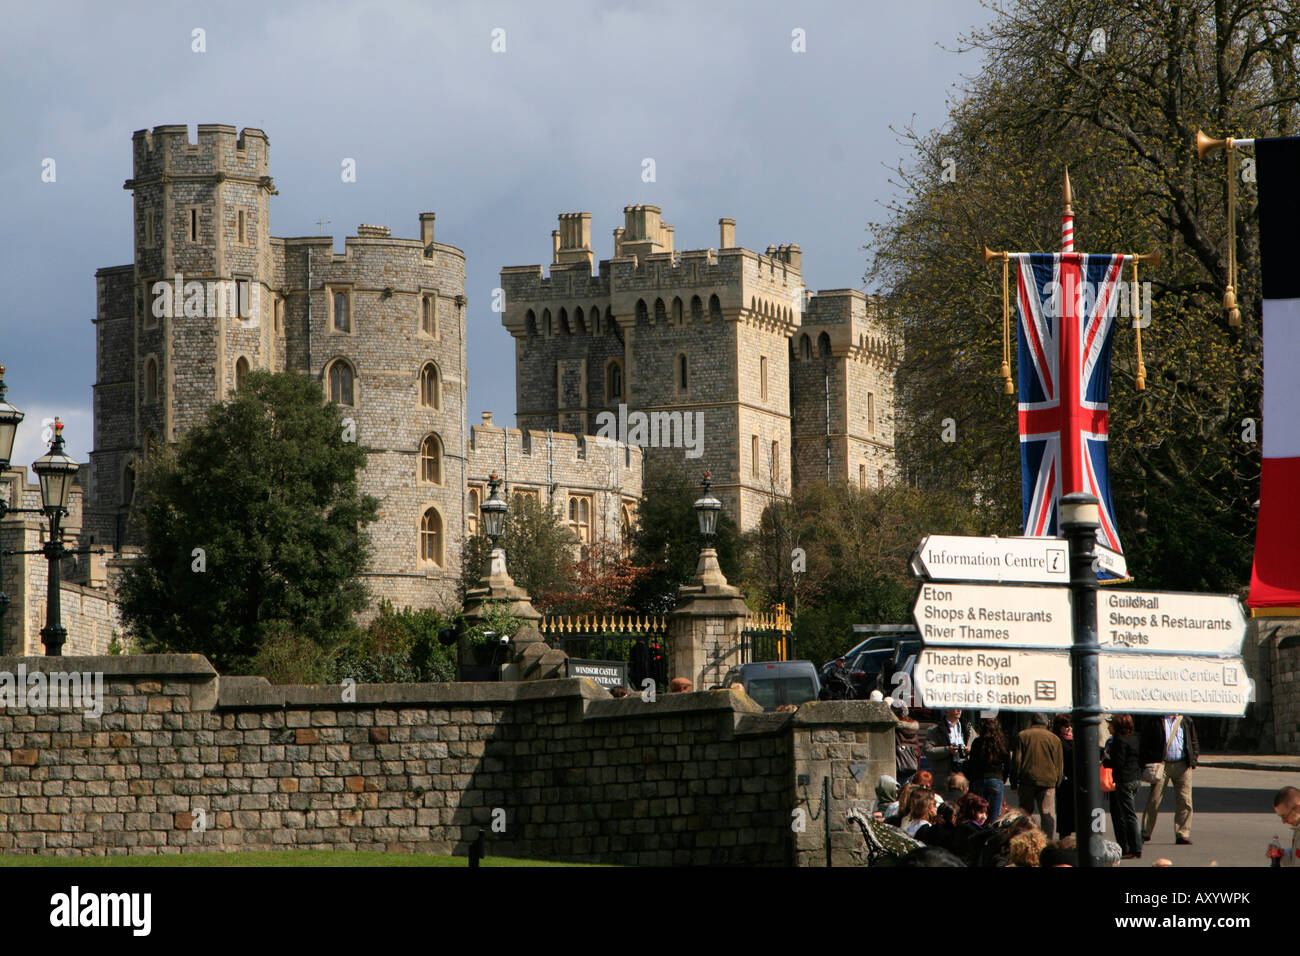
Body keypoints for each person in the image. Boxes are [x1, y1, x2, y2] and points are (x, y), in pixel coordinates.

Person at [1139, 713, 1199, 845]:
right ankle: (1145, 832)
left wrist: (1193, 758)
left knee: (1185, 801)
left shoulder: (1186, 720)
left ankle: (1182, 833)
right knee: (1154, 799)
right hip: (1162, 764)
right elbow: (1145, 741)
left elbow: (1193, 740)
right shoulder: (1156, 719)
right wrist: (1145, 761)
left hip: (1182, 764)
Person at [1012, 713, 1063, 840]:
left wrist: (1014, 781)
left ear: (1031, 721)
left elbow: (1017, 761)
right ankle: (1047, 842)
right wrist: (1058, 781)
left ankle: (1025, 839)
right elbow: (1059, 763)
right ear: (1046, 723)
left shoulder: (1023, 736)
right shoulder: (1054, 738)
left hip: (1027, 780)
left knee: (1025, 813)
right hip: (1048, 781)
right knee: (1047, 814)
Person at [1103, 714, 1143, 859]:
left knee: (1127, 814)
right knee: (1127, 813)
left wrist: (1106, 761)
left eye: (1111, 724)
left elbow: (1117, 762)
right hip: (1135, 777)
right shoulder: (1134, 738)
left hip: (1124, 780)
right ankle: (1131, 846)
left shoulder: (1118, 741)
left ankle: (1135, 847)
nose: (1108, 727)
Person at [967, 717, 1010, 820]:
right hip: (996, 778)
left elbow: (971, 763)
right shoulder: (1002, 743)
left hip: (979, 779)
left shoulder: (977, 742)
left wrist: (971, 780)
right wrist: (1003, 778)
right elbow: (1008, 763)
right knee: (994, 815)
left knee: (978, 812)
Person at [926, 708, 976, 783]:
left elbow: (978, 748)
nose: (959, 710)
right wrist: (947, 750)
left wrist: (970, 750)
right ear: (947, 709)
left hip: (965, 772)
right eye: (955, 707)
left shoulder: (968, 728)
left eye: (960, 707)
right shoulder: (935, 729)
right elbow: (927, 751)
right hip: (944, 776)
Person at [1052, 715, 1075, 839]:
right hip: (1064, 781)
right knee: (1065, 813)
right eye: (1066, 726)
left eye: (1070, 725)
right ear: (1060, 727)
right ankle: (1065, 838)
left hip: (1075, 781)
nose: (1069, 728)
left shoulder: (1074, 739)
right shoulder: (1058, 741)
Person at [891, 700, 922, 784]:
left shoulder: (894, 728)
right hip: (912, 767)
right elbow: (917, 750)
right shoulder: (913, 728)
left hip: (899, 768)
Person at [1272, 786, 1300, 866]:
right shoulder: (1297, 828)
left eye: (1285, 816)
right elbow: (1296, 858)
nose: (1283, 821)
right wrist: (1282, 854)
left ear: (1298, 808)